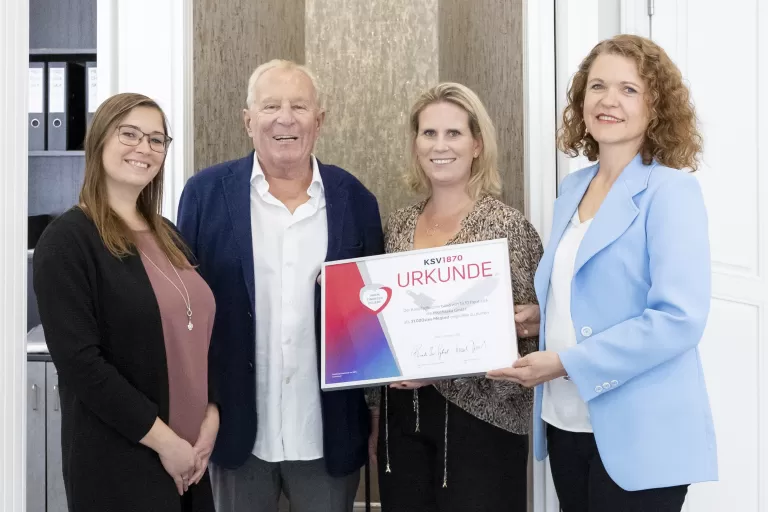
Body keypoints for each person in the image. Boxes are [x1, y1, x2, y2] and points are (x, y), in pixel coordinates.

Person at [487, 34, 718, 512]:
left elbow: (678, 319)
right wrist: (540, 317)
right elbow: (585, 288)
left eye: (629, 89)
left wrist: (567, 362)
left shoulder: (670, 192)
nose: (608, 100)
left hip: (641, 431)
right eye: (597, 86)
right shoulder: (573, 187)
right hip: (566, 420)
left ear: (656, 106)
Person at [177, 59, 384, 512]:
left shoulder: (356, 200)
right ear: (248, 120)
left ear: (319, 120)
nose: (285, 118)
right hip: (234, 434)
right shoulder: (204, 195)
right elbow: (184, 317)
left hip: (327, 433)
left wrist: (374, 413)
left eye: (299, 106)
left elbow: (373, 321)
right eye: (271, 105)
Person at [33, 92, 218, 512]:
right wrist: (166, 442)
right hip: (122, 462)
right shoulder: (67, 241)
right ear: (99, 142)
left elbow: (202, 337)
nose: (144, 148)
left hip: (192, 461)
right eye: (129, 134)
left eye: (156, 139)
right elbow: (82, 364)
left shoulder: (170, 235)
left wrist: (211, 417)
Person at [367, 82, 543, 512]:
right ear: (416, 144)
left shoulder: (506, 226)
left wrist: (532, 320)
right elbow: (380, 325)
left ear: (477, 144)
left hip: (482, 425)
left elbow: (537, 336)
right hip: (402, 421)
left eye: (454, 134)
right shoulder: (396, 225)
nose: (439, 146)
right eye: (428, 134)